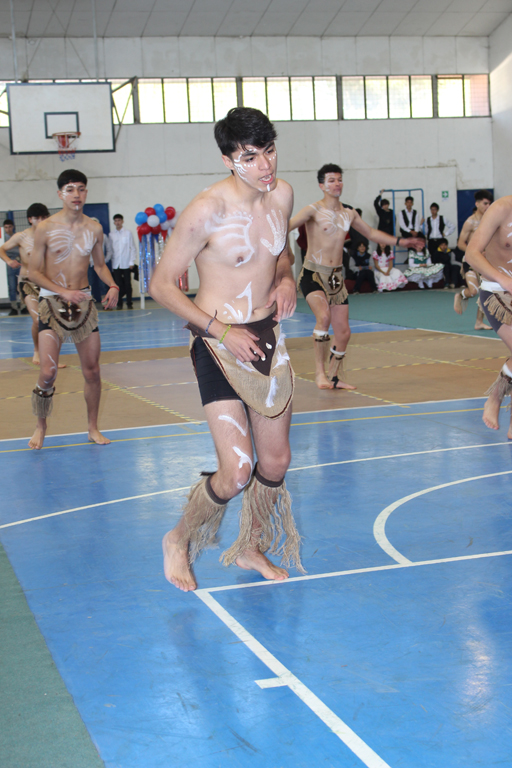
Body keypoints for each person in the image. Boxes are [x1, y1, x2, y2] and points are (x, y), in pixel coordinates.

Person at [150, 107, 303, 592]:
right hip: (217, 342)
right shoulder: (206, 210)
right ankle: (178, 538)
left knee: (275, 462)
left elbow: (282, 252)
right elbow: (161, 285)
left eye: (269, 151)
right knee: (237, 470)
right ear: (228, 160)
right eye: (250, 157)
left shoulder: (282, 194)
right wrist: (220, 331)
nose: (265, 165)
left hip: (267, 337)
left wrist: (286, 280)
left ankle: (250, 545)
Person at [289, 164, 422, 390]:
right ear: (322, 185)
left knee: (344, 332)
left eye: (339, 179)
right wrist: (282, 254)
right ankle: (319, 374)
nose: (337, 184)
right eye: (331, 180)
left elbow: (371, 233)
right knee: (323, 317)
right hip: (314, 274)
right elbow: (286, 226)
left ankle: (333, 377)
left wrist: (402, 241)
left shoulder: (349, 213)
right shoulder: (313, 210)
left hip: (336, 278)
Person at [27, 169, 119, 450]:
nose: (76, 194)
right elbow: (33, 272)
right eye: (70, 189)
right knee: (48, 373)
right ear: (60, 194)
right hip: (52, 303)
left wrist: (113, 285)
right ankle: (40, 426)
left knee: (92, 371)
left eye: (80, 188)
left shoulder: (94, 228)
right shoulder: (45, 228)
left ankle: (92, 428)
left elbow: (99, 265)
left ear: (86, 193)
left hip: (84, 305)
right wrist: (63, 291)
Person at [465, 195, 512, 437]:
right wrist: (504, 280)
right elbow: (471, 253)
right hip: (497, 291)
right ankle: (495, 397)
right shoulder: (501, 208)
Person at [0, 203, 55, 366]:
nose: (41, 221)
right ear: (30, 219)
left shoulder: (52, 236)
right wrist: (9, 261)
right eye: (37, 218)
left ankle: (51, 356)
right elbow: (2, 249)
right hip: (27, 282)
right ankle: (37, 350)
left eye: (44, 217)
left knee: (51, 321)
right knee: (38, 320)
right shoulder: (21, 236)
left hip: (47, 282)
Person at [454, 190, 493, 330]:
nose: (488, 206)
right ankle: (461, 295)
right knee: (474, 291)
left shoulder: (491, 221)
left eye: (489, 204)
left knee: (486, 291)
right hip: (470, 260)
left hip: (485, 261)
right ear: (477, 204)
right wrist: (474, 252)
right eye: (485, 203)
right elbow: (460, 243)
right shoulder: (470, 222)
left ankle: (479, 322)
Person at [109, 214, 136, 309]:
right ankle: (119, 303)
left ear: (122, 221)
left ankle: (129, 303)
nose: (117, 222)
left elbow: (133, 248)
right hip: (116, 263)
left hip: (126, 263)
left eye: (119, 220)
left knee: (128, 284)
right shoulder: (111, 234)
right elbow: (110, 250)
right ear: (114, 222)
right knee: (118, 285)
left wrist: (131, 262)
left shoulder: (128, 233)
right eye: (116, 221)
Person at [425, 203, 456, 284]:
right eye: (432, 209)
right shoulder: (428, 220)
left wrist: (446, 234)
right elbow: (426, 230)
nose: (433, 211)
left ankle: (444, 278)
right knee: (433, 259)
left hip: (439, 241)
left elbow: (452, 226)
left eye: (435, 209)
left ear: (437, 210)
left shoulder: (442, 218)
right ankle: (434, 279)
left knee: (442, 260)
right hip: (431, 241)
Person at [88, 218, 113, 303]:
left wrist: (104, 260)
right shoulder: (86, 236)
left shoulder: (104, 236)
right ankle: (90, 302)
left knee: (103, 284)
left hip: (101, 264)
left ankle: (105, 302)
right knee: (89, 284)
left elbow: (109, 250)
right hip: (90, 265)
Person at [2, 219, 22, 315]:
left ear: (13, 227)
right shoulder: (2, 238)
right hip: (8, 264)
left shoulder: (17, 237)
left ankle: (23, 305)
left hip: (19, 262)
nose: (8, 229)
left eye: (9, 227)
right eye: (6, 227)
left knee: (21, 285)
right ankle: (13, 306)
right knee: (12, 287)